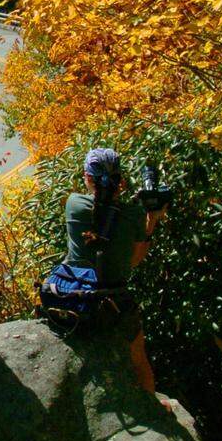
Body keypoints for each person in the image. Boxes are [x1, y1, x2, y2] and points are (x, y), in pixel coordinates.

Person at [64, 148, 166, 393]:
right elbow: (134, 260)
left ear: (87, 177)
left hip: (75, 297)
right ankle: (153, 409)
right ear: (120, 179)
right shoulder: (133, 214)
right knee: (139, 360)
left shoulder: (74, 204)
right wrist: (152, 220)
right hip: (115, 301)